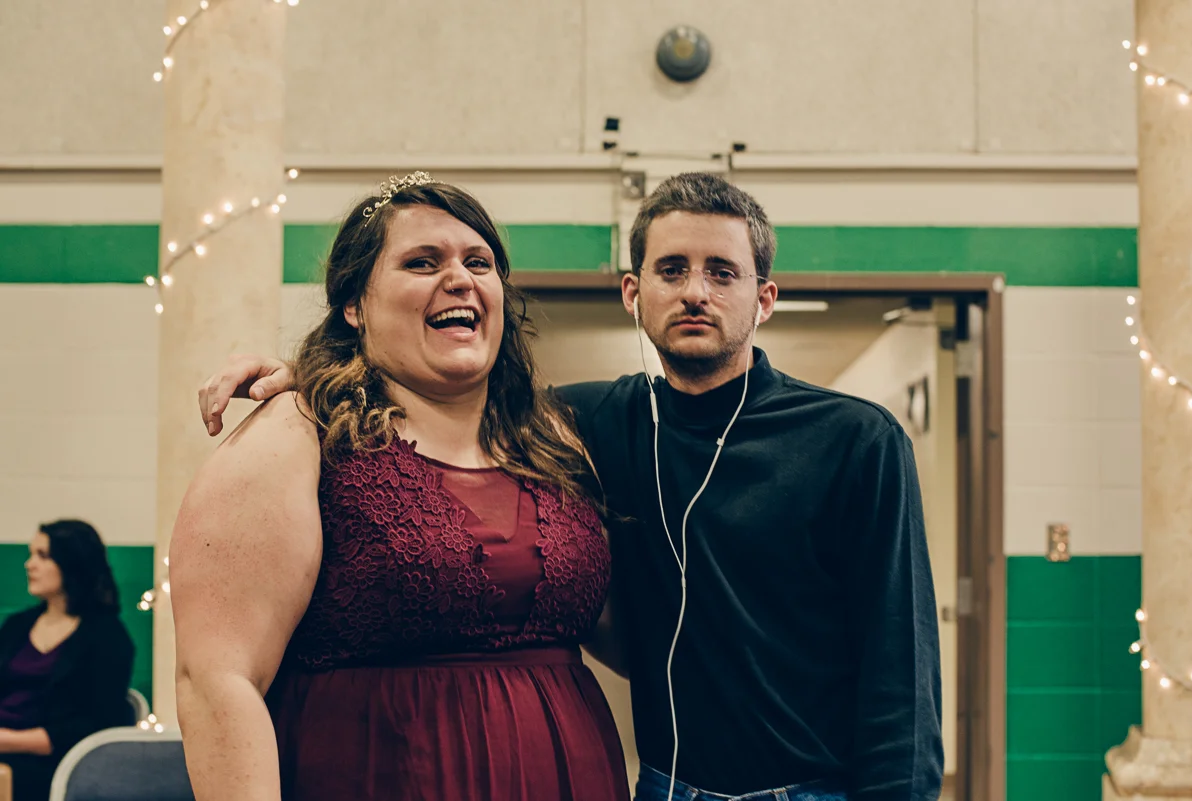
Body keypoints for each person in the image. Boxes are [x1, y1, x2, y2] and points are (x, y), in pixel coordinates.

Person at [197, 172, 944, 801]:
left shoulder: (853, 438)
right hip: (665, 785)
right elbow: (429, 386)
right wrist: (315, 375)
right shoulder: (582, 422)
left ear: (766, 297)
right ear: (632, 291)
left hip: (813, 788)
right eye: (672, 269)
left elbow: (899, 674)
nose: (696, 293)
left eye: (723, 272)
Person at [171, 172, 628, 801]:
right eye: (422, 261)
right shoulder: (298, 436)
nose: (460, 278)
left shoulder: (553, 438)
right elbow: (218, 680)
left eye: (479, 261)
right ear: (355, 305)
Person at [0, 519, 135, 801]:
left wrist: (9, 740)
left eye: (42, 556)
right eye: (30, 554)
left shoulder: (107, 637)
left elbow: (95, 725)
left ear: (72, 564)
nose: (29, 564)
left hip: (56, 765)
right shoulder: (17, 626)